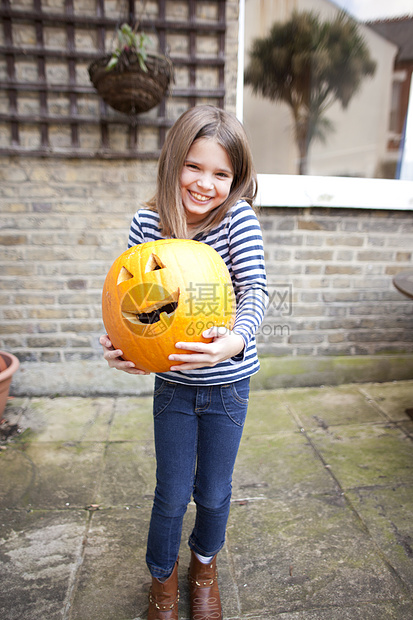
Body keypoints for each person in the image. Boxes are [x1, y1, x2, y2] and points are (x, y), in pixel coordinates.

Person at [100, 105, 268, 620]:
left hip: (227, 386)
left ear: (236, 180)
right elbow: (134, 300)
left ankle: (204, 568)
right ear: (174, 161)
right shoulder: (147, 223)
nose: (205, 183)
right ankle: (162, 584)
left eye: (222, 174)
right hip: (173, 385)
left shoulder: (236, 219)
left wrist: (235, 340)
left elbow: (256, 291)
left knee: (214, 493)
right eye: (194, 166)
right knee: (171, 494)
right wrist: (121, 346)